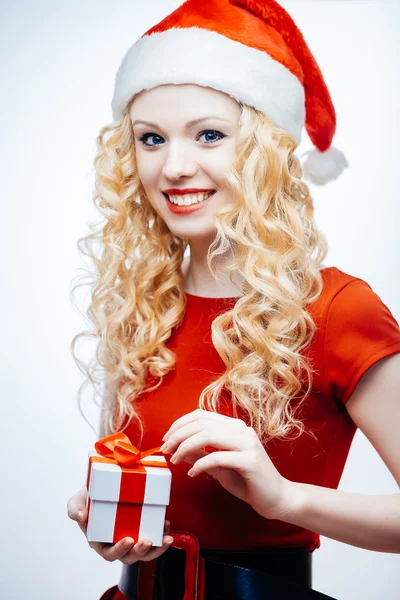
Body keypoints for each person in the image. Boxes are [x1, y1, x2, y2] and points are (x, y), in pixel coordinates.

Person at [67, 1, 400, 599]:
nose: (173, 166)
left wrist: (285, 498)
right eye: (151, 139)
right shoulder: (141, 307)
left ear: (266, 152)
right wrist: (107, 523)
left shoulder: (339, 310)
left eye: (210, 135)